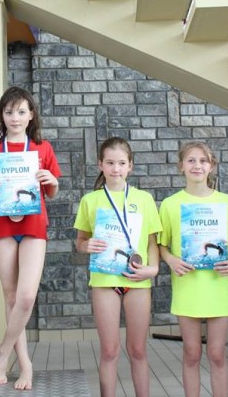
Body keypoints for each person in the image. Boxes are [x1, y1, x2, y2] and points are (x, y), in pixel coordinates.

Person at [0, 87, 61, 390]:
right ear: (2, 115)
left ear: (31, 115)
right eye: (9, 112)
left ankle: (3, 350)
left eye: (21, 111)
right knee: (11, 297)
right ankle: (25, 365)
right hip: (3, 226)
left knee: (25, 297)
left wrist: (52, 181)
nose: (15, 117)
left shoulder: (42, 148)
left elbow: (52, 191)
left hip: (34, 225)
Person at [74, 137, 161, 397]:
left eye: (121, 163)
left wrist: (153, 269)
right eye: (110, 163)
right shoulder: (90, 200)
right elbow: (80, 241)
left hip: (137, 281)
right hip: (104, 281)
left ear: (130, 165)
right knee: (109, 351)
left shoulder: (144, 199)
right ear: (100, 165)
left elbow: (152, 242)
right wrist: (85, 246)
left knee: (138, 350)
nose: (116, 168)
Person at [157, 141, 228, 397]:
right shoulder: (170, 204)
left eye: (203, 160)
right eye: (191, 160)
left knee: (217, 353)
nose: (197, 165)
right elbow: (161, 244)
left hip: (217, 287)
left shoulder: (226, 202)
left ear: (211, 166)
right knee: (191, 353)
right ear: (181, 166)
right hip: (187, 287)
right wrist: (171, 260)